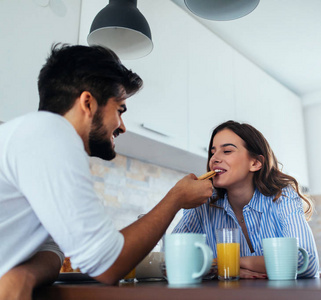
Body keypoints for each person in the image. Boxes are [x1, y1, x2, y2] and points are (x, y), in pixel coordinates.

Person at [0, 44, 213, 299]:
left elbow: (51, 248)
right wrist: (176, 198)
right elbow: (108, 265)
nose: (122, 126)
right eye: (120, 110)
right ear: (87, 103)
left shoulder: (36, 136)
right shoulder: (51, 134)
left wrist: (25, 274)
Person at [172, 120, 319, 279]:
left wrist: (228, 263)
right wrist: (219, 269)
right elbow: (171, 262)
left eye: (227, 151)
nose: (214, 158)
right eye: (212, 152)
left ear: (255, 163)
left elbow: (307, 262)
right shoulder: (202, 204)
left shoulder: (283, 197)